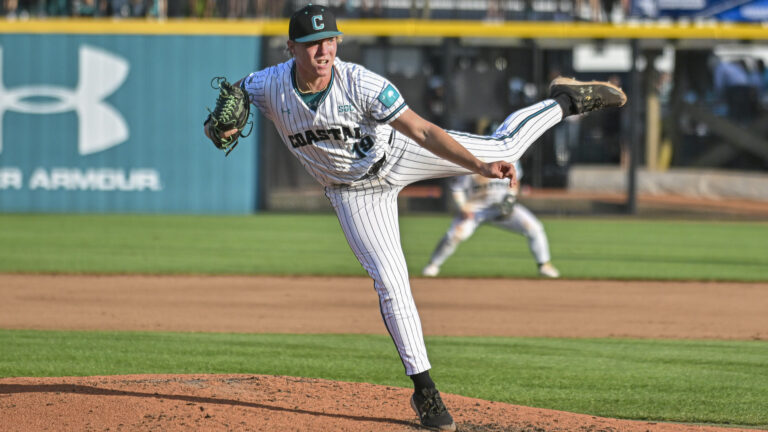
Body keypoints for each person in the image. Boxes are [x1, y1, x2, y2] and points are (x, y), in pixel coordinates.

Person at [204, 4, 626, 430]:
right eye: (312, 43)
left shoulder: (361, 83)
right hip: (354, 194)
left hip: (400, 154)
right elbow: (228, 106)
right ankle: (425, 391)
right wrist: (220, 128)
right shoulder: (268, 84)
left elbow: (423, 131)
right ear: (291, 47)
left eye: (329, 40)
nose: (323, 50)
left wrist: (478, 167)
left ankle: (565, 100)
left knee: (504, 150)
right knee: (391, 281)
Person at [422, 162, 560, 279]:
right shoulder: (474, 158)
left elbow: (515, 184)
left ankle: (544, 265)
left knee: (534, 228)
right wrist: (463, 207)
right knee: (454, 235)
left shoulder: (512, 158)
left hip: (501, 207)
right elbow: (456, 187)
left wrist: (510, 199)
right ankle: (433, 265)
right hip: (475, 209)